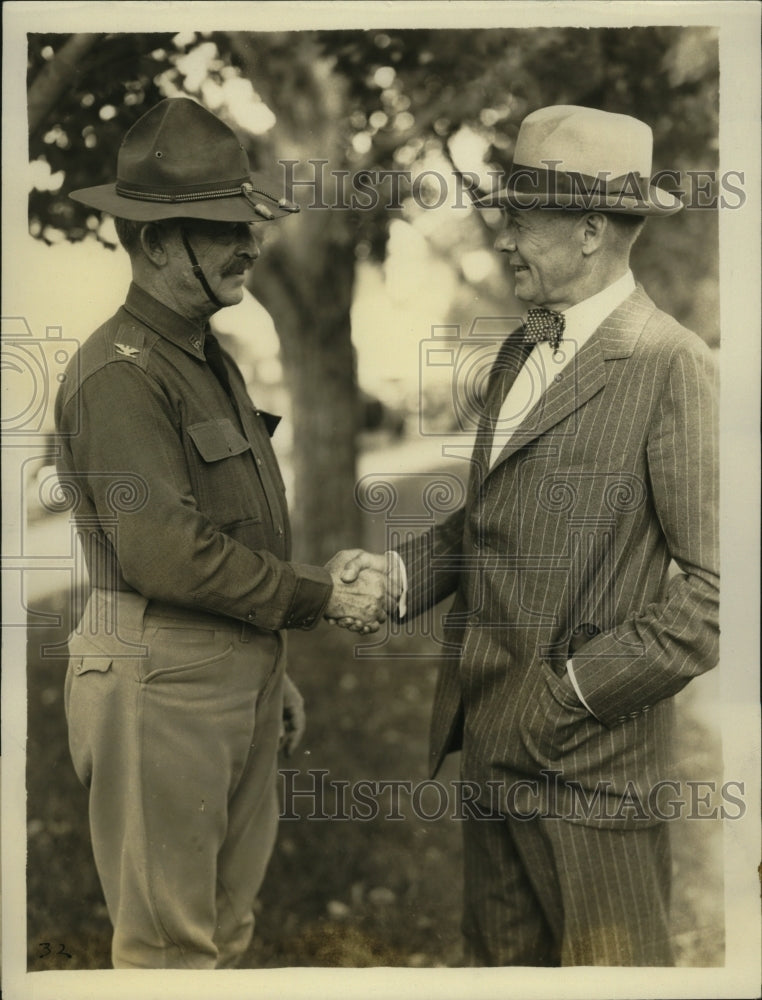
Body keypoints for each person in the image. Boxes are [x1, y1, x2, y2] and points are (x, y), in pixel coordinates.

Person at [337, 105, 719, 966]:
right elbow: (488, 525)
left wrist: (570, 694)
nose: (501, 239)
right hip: (489, 758)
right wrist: (394, 580)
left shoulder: (672, 364)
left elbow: (714, 598)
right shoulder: (518, 349)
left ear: (591, 231)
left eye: (521, 219)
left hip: (591, 777)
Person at [56, 97, 390, 969]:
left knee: (224, 930)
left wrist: (264, 669)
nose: (250, 243)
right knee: (171, 949)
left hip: (222, 675)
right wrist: (319, 595)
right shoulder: (117, 375)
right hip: (158, 682)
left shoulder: (205, 354)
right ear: (156, 243)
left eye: (249, 223)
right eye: (222, 227)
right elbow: (167, 552)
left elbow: (233, 527)